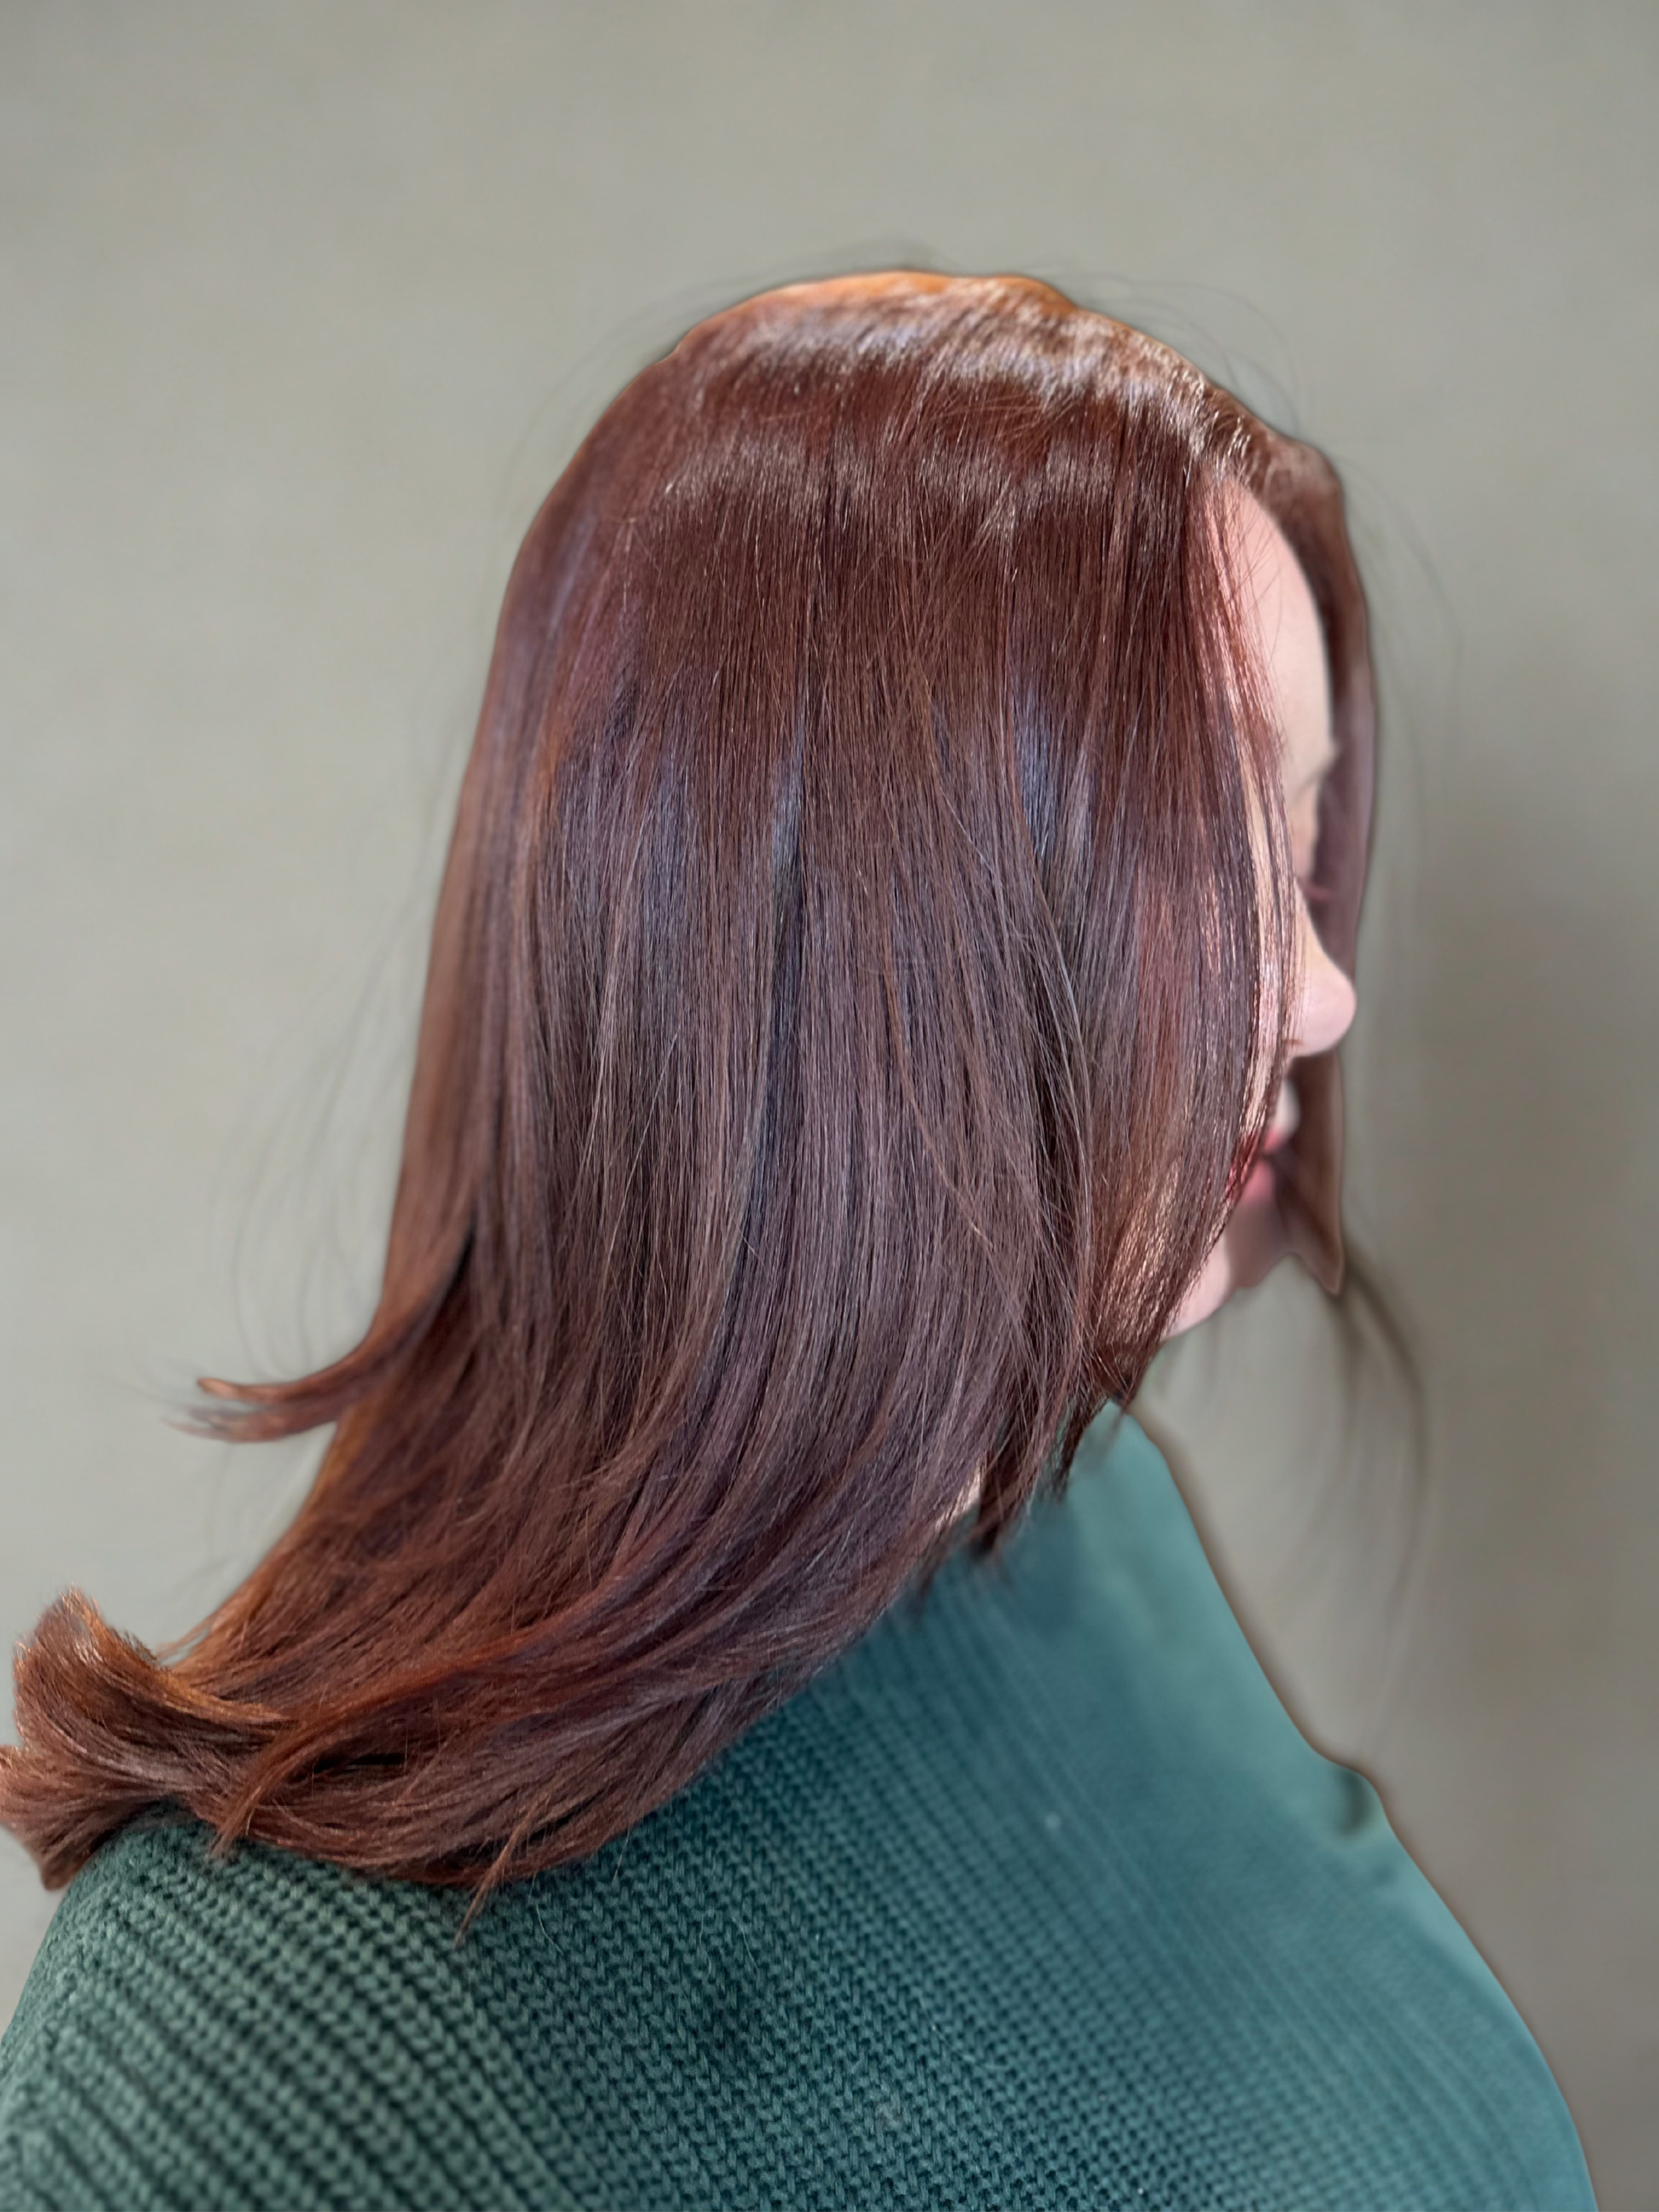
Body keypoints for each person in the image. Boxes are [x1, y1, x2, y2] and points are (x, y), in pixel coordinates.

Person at [0, 273, 1593, 2209]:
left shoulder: (1085, 1535)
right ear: (821, 946)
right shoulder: (227, 2070)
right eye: (1192, 841)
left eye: (1304, 826)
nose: (1322, 992)